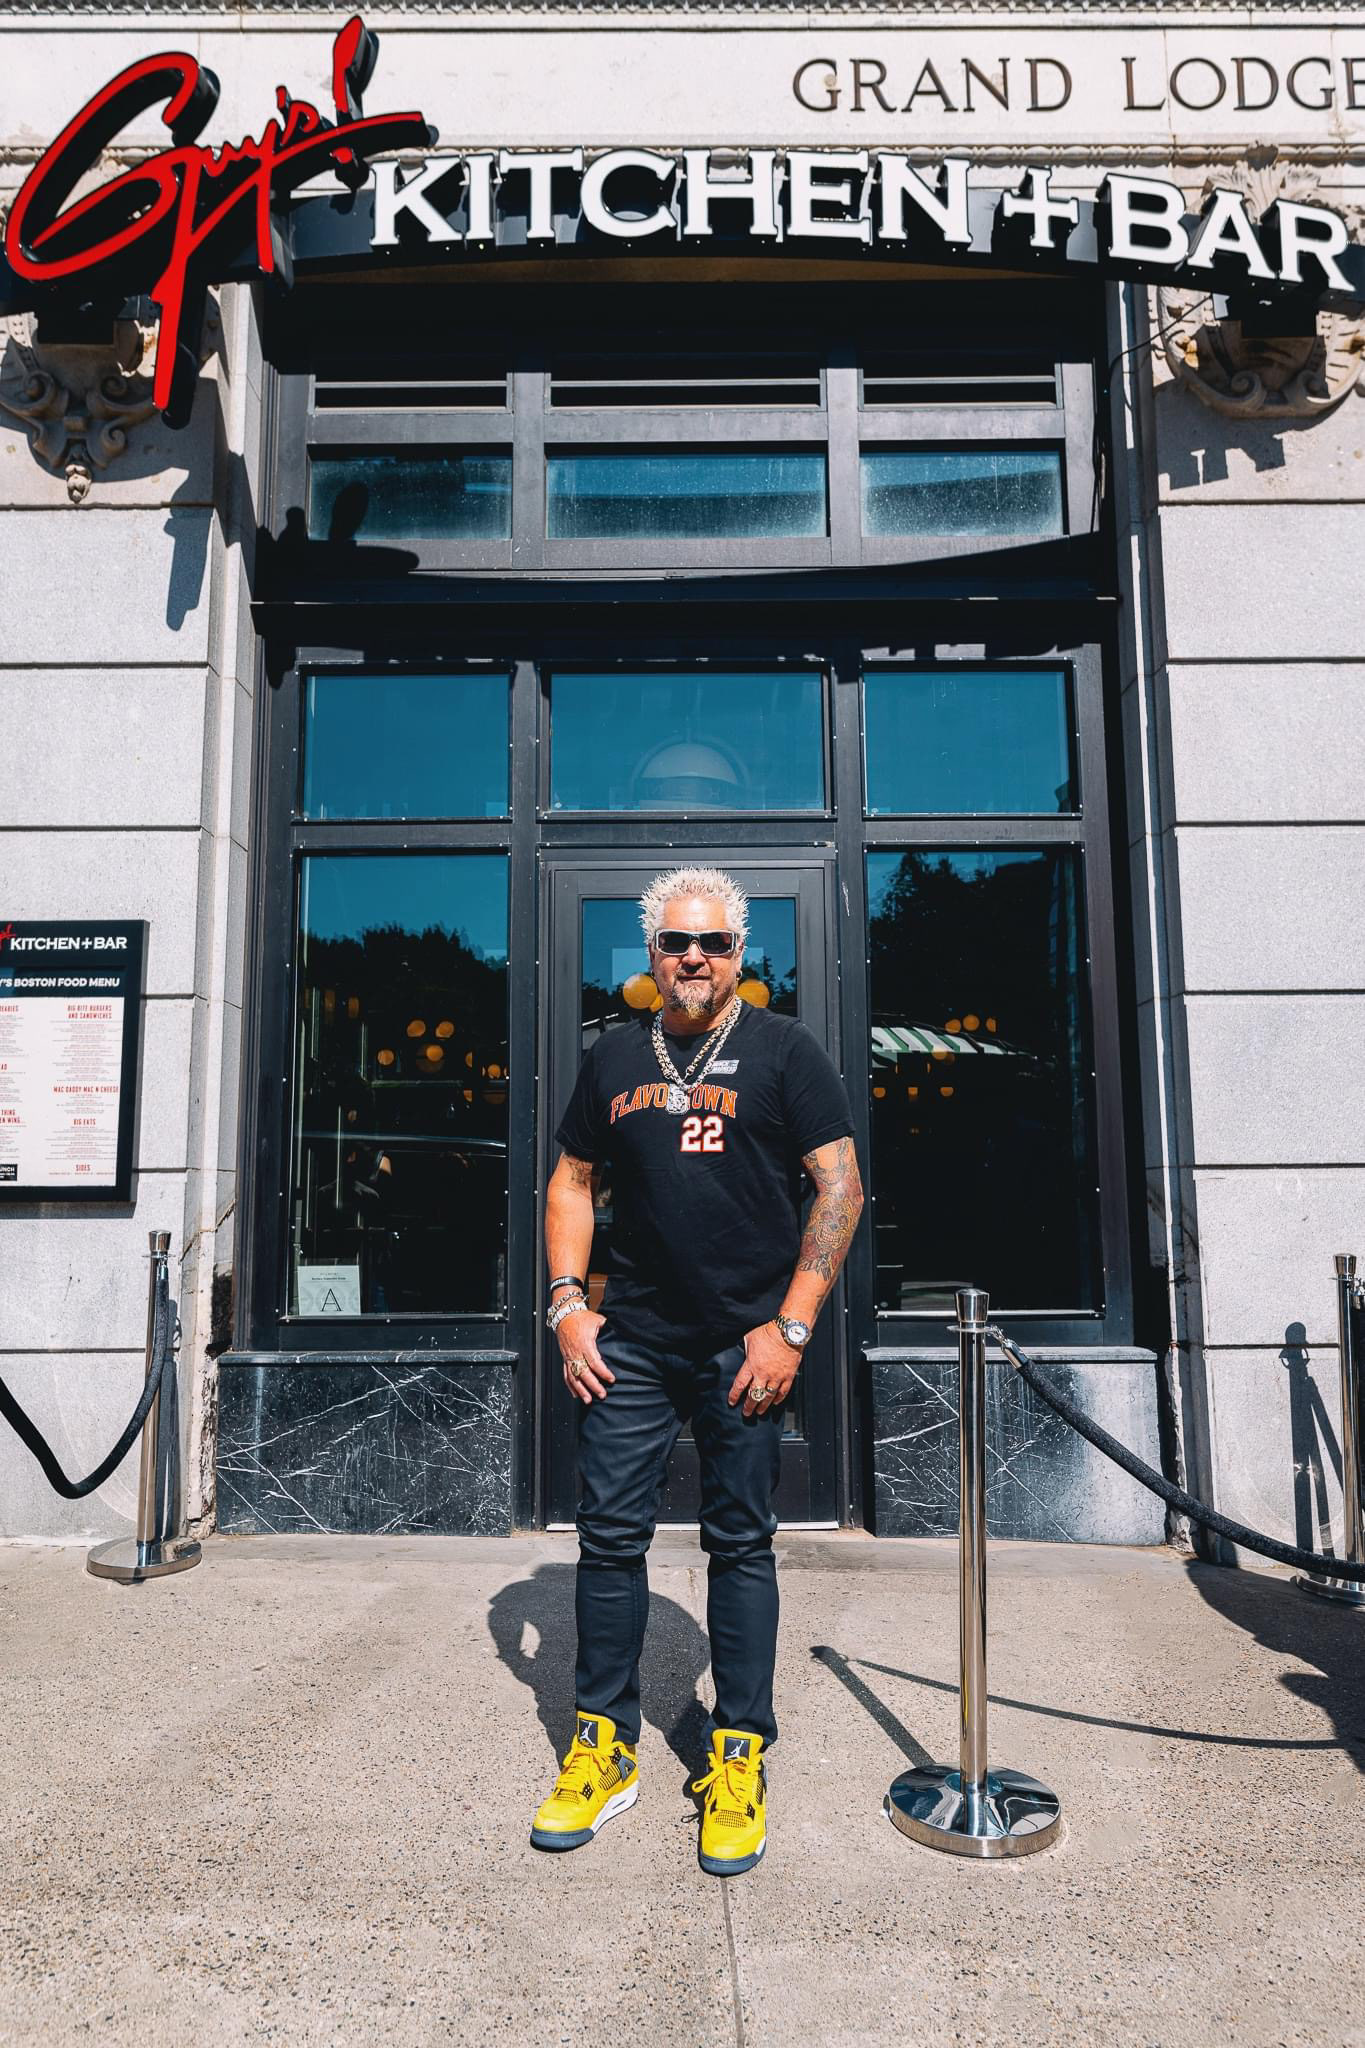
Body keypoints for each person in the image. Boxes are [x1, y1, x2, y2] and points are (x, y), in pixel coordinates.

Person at [530, 865, 863, 1876]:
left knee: (742, 1541)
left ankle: (739, 1750)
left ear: (740, 950)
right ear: (650, 950)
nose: (693, 958)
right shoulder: (614, 1055)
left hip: (744, 1341)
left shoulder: (784, 1050)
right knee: (608, 1537)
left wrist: (791, 1328)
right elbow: (571, 1182)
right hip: (628, 1337)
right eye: (676, 940)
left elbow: (840, 1187)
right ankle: (604, 1745)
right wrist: (566, 1305)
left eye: (713, 942)